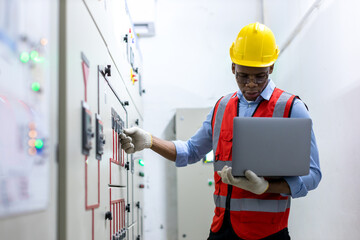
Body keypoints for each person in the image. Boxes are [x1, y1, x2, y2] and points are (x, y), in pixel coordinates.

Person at [120, 22, 322, 240]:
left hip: (268, 234)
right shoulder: (222, 107)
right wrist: (150, 141)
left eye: (260, 76)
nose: (251, 84)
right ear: (233, 66)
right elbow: (190, 151)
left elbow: (313, 175)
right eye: (244, 76)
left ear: (271, 68)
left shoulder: (292, 108)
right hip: (221, 230)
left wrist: (266, 187)